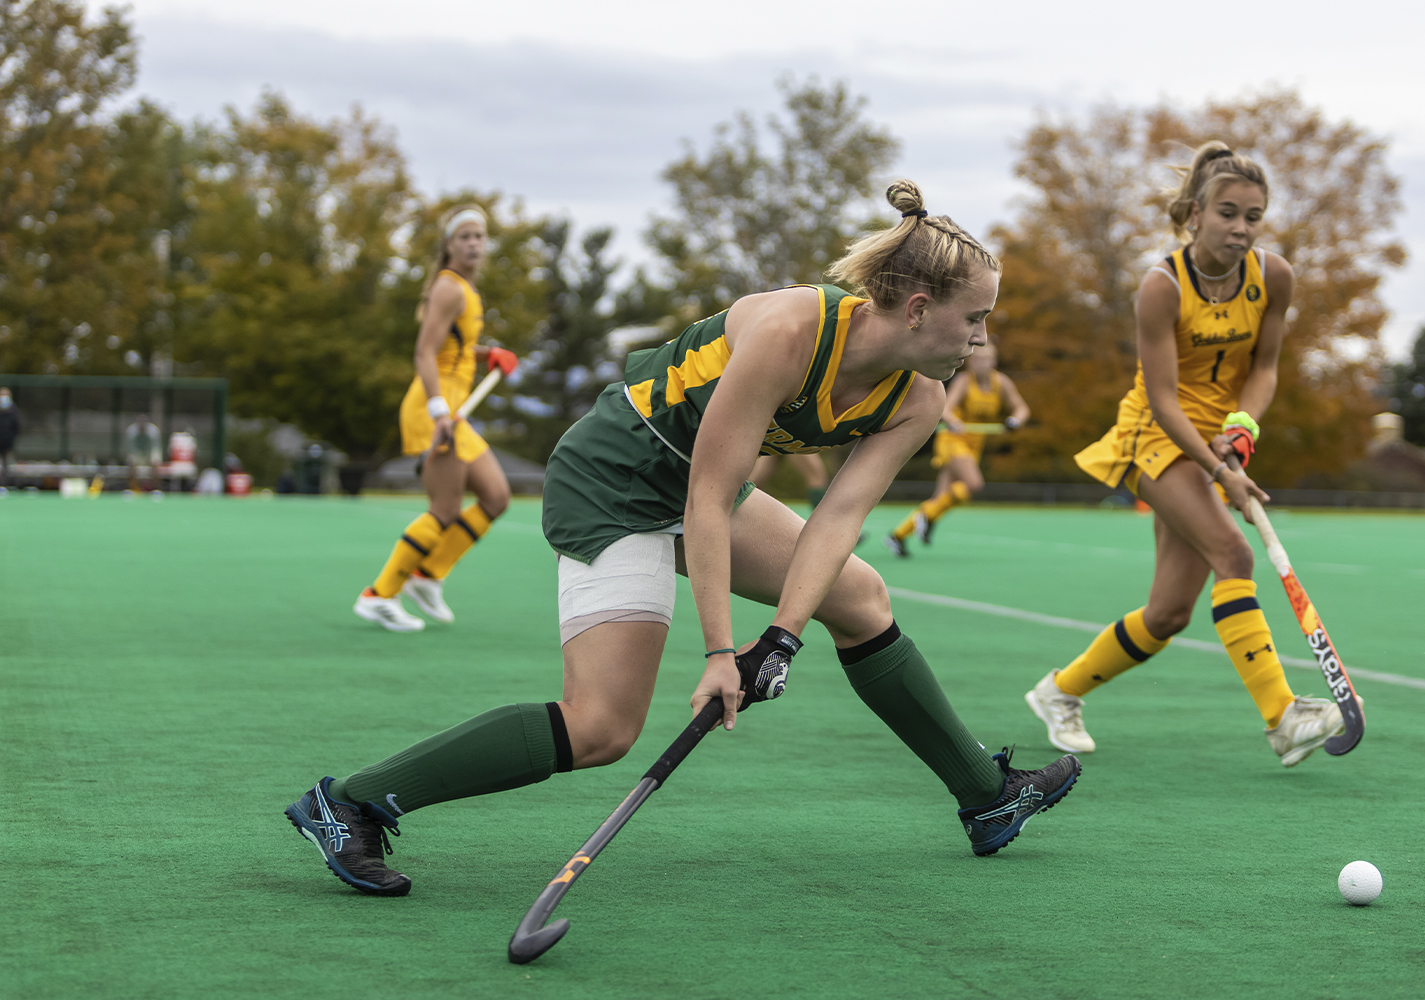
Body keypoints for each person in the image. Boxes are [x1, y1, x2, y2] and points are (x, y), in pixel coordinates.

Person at [286, 181, 1081, 896]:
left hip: (702, 485)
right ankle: (349, 802)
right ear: (916, 309)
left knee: (862, 595)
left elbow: (837, 519)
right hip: (617, 480)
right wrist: (719, 652)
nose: (979, 340)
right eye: (973, 319)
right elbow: (704, 492)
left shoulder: (919, 399)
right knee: (601, 728)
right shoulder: (791, 330)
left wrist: (781, 639)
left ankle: (985, 796)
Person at [1024, 143, 1347, 767]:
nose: (1241, 228)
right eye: (1228, 213)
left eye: (1254, 216)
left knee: (1169, 613)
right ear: (1195, 213)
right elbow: (1166, 403)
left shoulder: (1272, 277)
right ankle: (1283, 717)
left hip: (1217, 437)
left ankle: (1058, 692)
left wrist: (1242, 430)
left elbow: (1267, 367)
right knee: (1234, 552)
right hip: (1155, 437)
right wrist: (1220, 471)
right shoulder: (1161, 287)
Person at [352, 205, 517, 632]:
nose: (474, 243)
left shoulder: (465, 289)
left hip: (452, 408)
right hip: (435, 408)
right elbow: (424, 353)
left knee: (496, 496)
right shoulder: (449, 288)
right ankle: (379, 594)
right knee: (444, 508)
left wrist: (487, 355)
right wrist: (439, 411)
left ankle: (428, 575)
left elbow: (453, 351)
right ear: (448, 245)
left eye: (479, 236)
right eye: (464, 236)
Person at [884, 339, 1028, 555]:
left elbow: (1021, 408)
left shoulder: (1002, 383)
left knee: (941, 499)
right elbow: (945, 408)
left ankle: (898, 536)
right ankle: (927, 517)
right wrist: (953, 421)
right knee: (973, 484)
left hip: (973, 445)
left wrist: (1014, 421)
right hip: (953, 440)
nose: (981, 364)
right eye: (977, 359)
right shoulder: (964, 381)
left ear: (994, 361)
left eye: (986, 359)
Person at [0, 387, 18, 490]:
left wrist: (11, 441)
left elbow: (16, 428)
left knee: (7, 465)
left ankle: (5, 485)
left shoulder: (14, 410)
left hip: (7, 444)